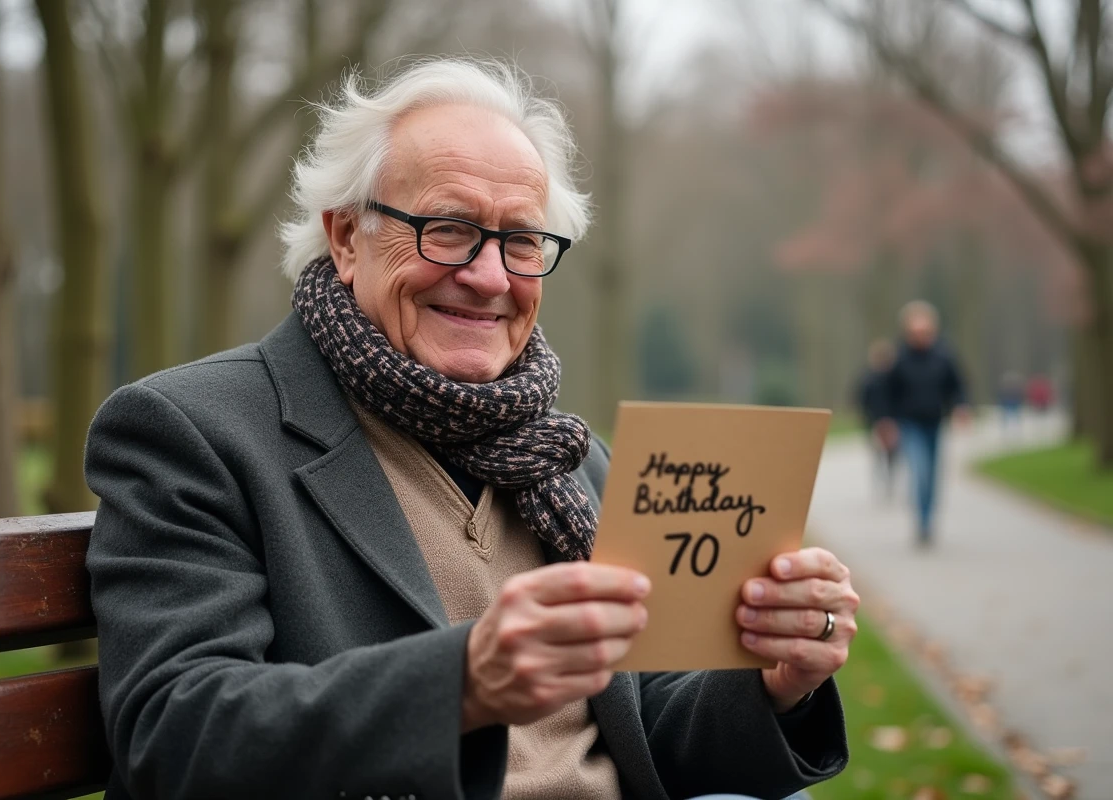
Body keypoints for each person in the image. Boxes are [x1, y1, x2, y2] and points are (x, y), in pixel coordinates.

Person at [84, 58, 856, 800]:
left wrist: (778, 684)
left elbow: (643, 734)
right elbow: (174, 735)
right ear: (347, 238)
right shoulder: (192, 432)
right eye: (448, 228)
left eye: (521, 242)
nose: (490, 277)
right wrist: (462, 683)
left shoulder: (570, 464)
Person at [876, 301, 969, 546]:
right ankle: (922, 521)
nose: (921, 337)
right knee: (920, 471)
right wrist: (885, 421)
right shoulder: (898, 359)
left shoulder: (944, 356)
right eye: (915, 332)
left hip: (935, 423)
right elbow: (886, 392)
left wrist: (960, 407)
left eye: (925, 331)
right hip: (909, 424)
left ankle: (928, 520)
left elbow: (957, 386)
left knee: (933, 475)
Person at [855, 339, 898, 500]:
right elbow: (862, 400)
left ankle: (886, 483)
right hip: (876, 423)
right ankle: (883, 484)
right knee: (880, 456)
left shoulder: (893, 378)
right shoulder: (868, 379)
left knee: (888, 456)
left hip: (887, 423)